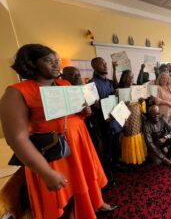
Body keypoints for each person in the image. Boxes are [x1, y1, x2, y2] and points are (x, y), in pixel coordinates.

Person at [0, 44, 115, 219]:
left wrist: (85, 110)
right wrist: (46, 172)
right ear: (31, 63)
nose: (56, 65)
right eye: (48, 61)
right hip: (53, 152)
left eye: (57, 61)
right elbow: (17, 139)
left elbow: (78, 114)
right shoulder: (16, 92)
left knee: (85, 181)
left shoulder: (64, 83)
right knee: (63, 194)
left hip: (78, 143)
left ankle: (93, 206)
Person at [89, 57, 123, 186]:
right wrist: (99, 106)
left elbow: (115, 92)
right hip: (105, 122)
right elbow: (94, 105)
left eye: (105, 63)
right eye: (101, 63)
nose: (104, 65)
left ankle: (116, 166)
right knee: (107, 150)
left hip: (115, 119)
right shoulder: (92, 83)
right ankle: (108, 175)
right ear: (94, 66)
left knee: (116, 146)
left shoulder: (108, 82)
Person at [118, 70, 147, 165]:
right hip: (126, 116)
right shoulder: (119, 91)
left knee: (138, 133)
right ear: (123, 78)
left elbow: (142, 106)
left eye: (131, 77)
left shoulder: (136, 88)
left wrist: (142, 101)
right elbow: (117, 109)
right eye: (127, 77)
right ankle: (130, 159)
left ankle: (139, 157)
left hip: (136, 114)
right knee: (128, 135)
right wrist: (123, 105)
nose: (129, 79)